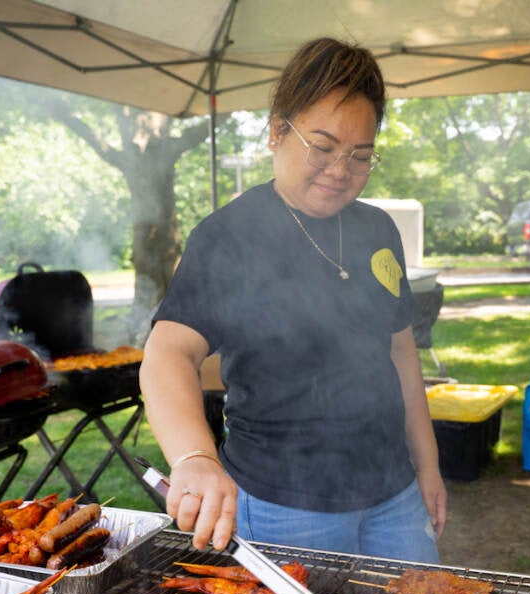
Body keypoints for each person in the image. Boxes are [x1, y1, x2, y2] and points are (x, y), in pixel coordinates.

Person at [139, 37, 447, 563]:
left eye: (361, 155)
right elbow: (168, 353)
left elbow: (401, 352)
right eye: (323, 147)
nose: (341, 169)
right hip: (283, 505)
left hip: (394, 495)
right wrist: (194, 457)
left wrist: (428, 466)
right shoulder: (229, 236)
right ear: (278, 131)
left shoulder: (378, 229)